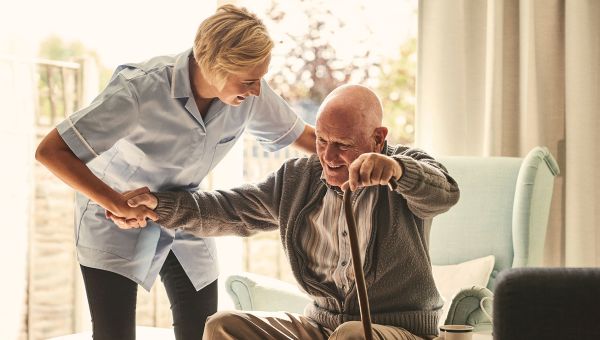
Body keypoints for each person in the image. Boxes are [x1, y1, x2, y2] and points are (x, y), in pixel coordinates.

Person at [34, 5, 316, 340]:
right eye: (250, 81)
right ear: (214, 66)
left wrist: (374, 157)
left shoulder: (249, 93)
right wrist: (115, 202)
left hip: (183, 212)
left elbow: (309, 138)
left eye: (260, 79)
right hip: (114, 217)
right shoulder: (139, 90)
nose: (257, 90)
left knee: (203, 330)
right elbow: (51, 151)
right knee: (114, 334)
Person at [117, 84, 460, 340]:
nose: (328, 156)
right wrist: (159, 206)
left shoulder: (405, 168)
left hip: (397, 331)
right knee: (222, 326)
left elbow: (444, 193)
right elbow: (230, 209)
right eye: (322, 141)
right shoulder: (298, 178)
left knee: (353, 335)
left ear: (377, 137)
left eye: (343, 145)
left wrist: (397, 170)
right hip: (321, 327)